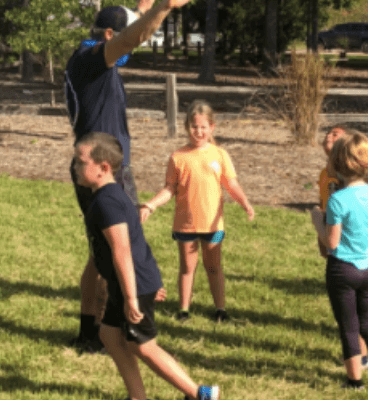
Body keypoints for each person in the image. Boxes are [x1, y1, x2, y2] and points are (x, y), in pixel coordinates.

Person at [65, 0, 194, 352]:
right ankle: (110, 330)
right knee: (112, 251)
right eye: (123, 35)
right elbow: (134, 36)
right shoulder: (91, 62)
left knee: (99, 252)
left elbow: (132, 31)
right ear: (109, 35)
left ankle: (90, 331)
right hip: (103, 172)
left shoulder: (93, 56)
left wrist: (145, 6)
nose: (136, 44)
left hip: (103, 167)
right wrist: (164, 8)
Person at [73, 131, 219, 400]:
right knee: (108, 334)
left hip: (132, 284)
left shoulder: (108, 203)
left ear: (103, 167)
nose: (75, 166)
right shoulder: (108, 195)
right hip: (129, 282)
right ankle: (138, 396)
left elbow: (123, 251)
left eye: (81, 162)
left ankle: (200, 393)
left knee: (143, 346)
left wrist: (133, 296)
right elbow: (137, 244)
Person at [140, 100, 254, 322]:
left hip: (213, 225)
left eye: (203, 127)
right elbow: (169, 189)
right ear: (186, 127)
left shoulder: (220, 155)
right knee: (186, 268)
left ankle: (220, 310)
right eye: (194, 127)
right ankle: (184, 310)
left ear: (212, 127)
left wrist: (245, 203)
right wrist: (151, 205)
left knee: (214, 267)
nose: (199, 132)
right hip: (186, 224)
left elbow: (232, 185)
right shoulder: (178, 157)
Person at [311, 132, 368, 390]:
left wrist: (318, 221)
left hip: (342, 271)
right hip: (366, 268)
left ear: (339, 164)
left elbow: (332, 243)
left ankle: (355, 381)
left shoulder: (337, 200)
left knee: (349, 327)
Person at [317, 125, 368, 370]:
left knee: (352, 314)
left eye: (336, 134)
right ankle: (363, 355)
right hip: (334, 235)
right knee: (350, 313)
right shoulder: (324, 174)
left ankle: (361, 355)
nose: (329, 136)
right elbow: (325, 206)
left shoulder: (350, 181)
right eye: (328, 133)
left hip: (349, 252)